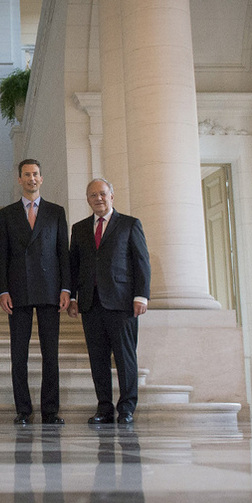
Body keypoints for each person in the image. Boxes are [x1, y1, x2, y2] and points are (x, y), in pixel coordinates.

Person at [68, 178, 150, 425]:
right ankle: (104, 407)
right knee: (98, 359)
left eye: (103, 194)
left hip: (122, 303)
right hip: (91, 304)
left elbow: (141, 262)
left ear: (112, 196)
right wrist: (72, 296)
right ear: (88, 200)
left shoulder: (129, 224)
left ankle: (126, 408)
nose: (98, 199)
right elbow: (74, 266)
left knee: (125, 358)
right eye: (93, 195)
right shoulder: (79, 228)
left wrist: (141, 295)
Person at [0, 159, 70, 425]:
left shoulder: (56, 211)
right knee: (19, 353)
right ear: (19, 179)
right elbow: (1, 255)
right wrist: (2, 289)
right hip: (17, 291)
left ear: (41, 178)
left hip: (50, 291)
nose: (31, 178)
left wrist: (66, 288)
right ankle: (23, 410)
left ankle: (50, 410)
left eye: (36, 174)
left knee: (50, 353)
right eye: (26, 174)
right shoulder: (7, 214)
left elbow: (63, 252)